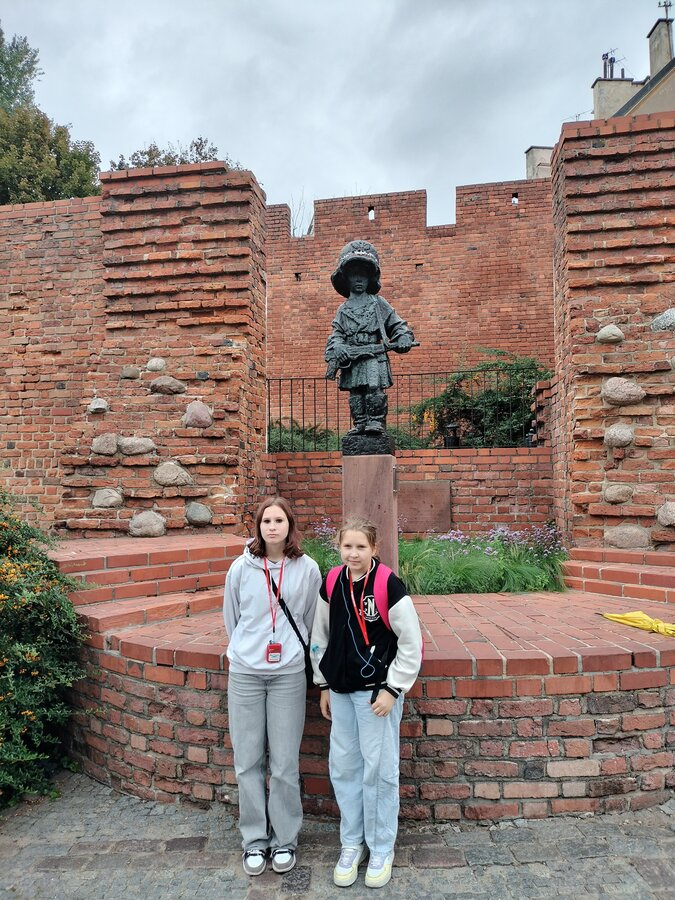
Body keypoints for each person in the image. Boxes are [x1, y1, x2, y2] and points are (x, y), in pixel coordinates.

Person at [311, 518, 423, 889]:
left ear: (374, 549)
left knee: (379, 771)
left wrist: (394, 688)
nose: (354, 553)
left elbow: (411, 642)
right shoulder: (331, 581)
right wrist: (323, 683)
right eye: (348, 546)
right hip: (341, 691)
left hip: (377, 695)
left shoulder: (388, 584)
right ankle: (352, 843)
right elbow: (320, 634)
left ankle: (380, 847)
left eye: (361, 547)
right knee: (344, 767)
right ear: (338, 547)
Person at [223, 496, 321, 877]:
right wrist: (249, 649)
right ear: (258, 526)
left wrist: (292, 649)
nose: (273, 527)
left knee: (283, 763)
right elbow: (232, 618)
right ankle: (254, 839)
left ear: (289, 525)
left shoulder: (307, 569)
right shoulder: (240, 568)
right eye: (266, 521)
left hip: (287, 675)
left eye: (279, 520)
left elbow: (310, 619)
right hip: (246, 673)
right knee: (247, 761)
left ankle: (284, 839)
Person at [325, 240, 417, 435]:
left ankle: (375, 422)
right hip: (352, 358)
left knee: (374, 388)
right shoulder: (343, 309)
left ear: (370, 278)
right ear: (346, 278)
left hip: (374, 355)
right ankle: (359, 423)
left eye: (363, 275)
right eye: (354, 274)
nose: (359, 279)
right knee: (355, 392)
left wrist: (403, 337)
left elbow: (397, 325)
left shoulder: (378, 303)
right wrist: (339, 347)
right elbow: (336, 335)